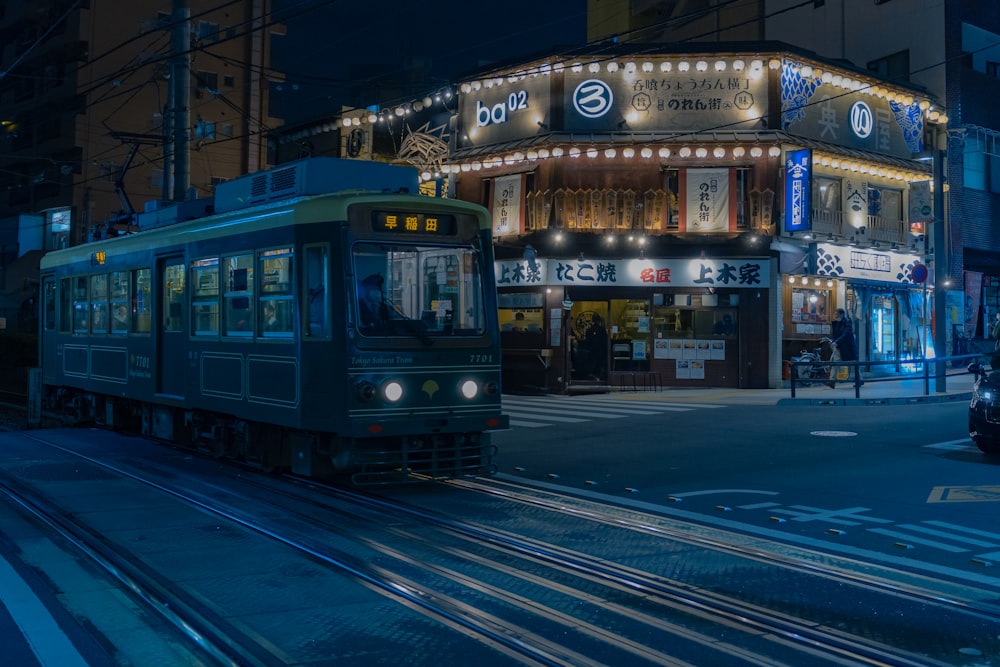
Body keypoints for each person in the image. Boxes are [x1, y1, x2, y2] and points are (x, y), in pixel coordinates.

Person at [828, 307, 860, 387]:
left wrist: (836, 341)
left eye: (837, 314)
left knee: (852, 363)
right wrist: (833, 341)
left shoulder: (847, 322)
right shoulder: (836, 323)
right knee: (836, 362)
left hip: (847, 347)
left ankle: (859, 379)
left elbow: (846, 334)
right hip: (839, 346)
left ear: (841, 314)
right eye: (835, 314)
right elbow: (835, 334)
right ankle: (832, 381)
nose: (835, 315)